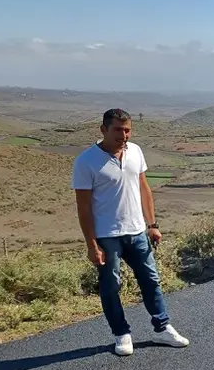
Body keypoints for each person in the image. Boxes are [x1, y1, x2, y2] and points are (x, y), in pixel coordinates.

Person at [72, 108, 189, 356]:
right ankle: (121, 334)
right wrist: (91, 244)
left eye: (127, 130)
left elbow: (144, 189)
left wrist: (153, 224)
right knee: (110, 286)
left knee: (151, 280)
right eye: (117, 130)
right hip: (107, 235)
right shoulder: (86, 161)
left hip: (137, 232)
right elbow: (83, 207)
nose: (123, 135)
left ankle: (162, 327)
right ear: (103, 130)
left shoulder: (135, 151)